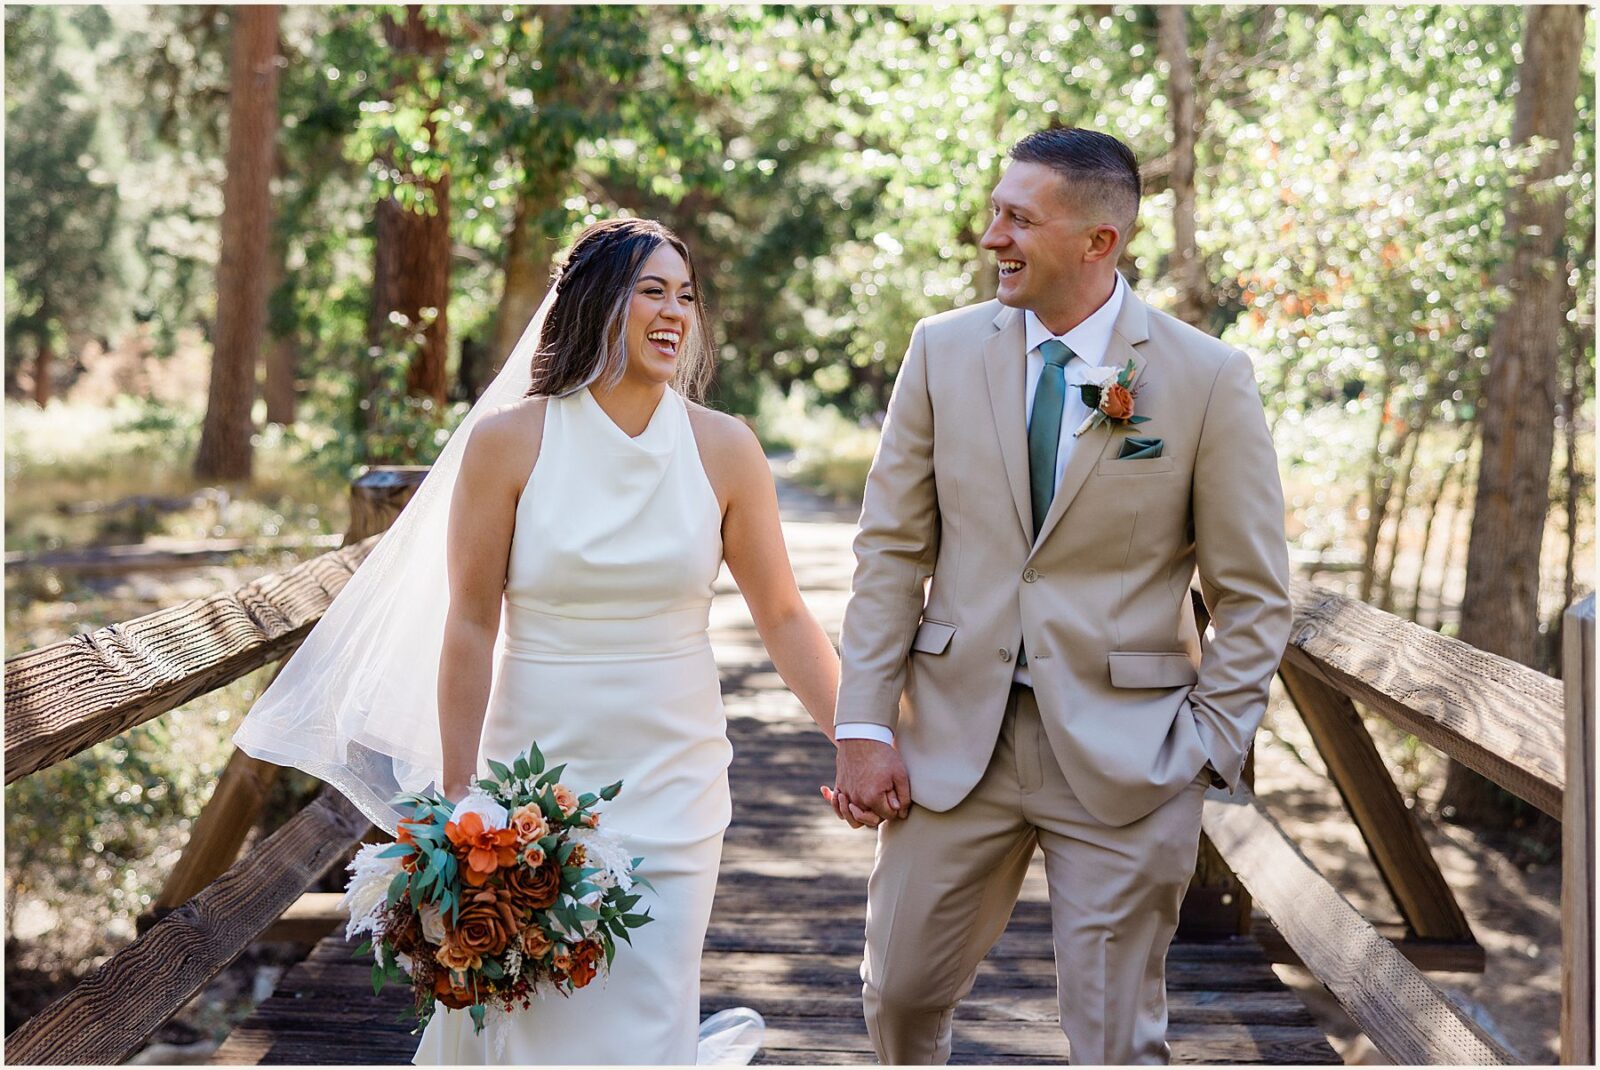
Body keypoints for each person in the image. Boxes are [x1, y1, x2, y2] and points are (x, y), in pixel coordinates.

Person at [236, 217, 841, 1064]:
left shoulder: (725, 448)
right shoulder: (509, 442)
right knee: (537, 1015)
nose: (675, 312)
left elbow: (783, 615)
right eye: (652, 292)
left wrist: (858, 738)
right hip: (536, 778)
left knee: (648, 1008)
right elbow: (470, 621)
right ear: (596, 304)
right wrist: (460, 797)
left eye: (687, 296)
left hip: (676, 777)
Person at [828, 127, 1292, 1065]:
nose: (991, 237)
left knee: (1116, 1040)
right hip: (955, 741)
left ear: (1097, 241)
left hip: (1131, 754)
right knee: (898, 994)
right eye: (994, 212)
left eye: (1018, 219)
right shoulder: (940, 351)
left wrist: (1209, 743)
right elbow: (891, 551)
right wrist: (865, 725)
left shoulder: (1207, 378)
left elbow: (1252, 593)